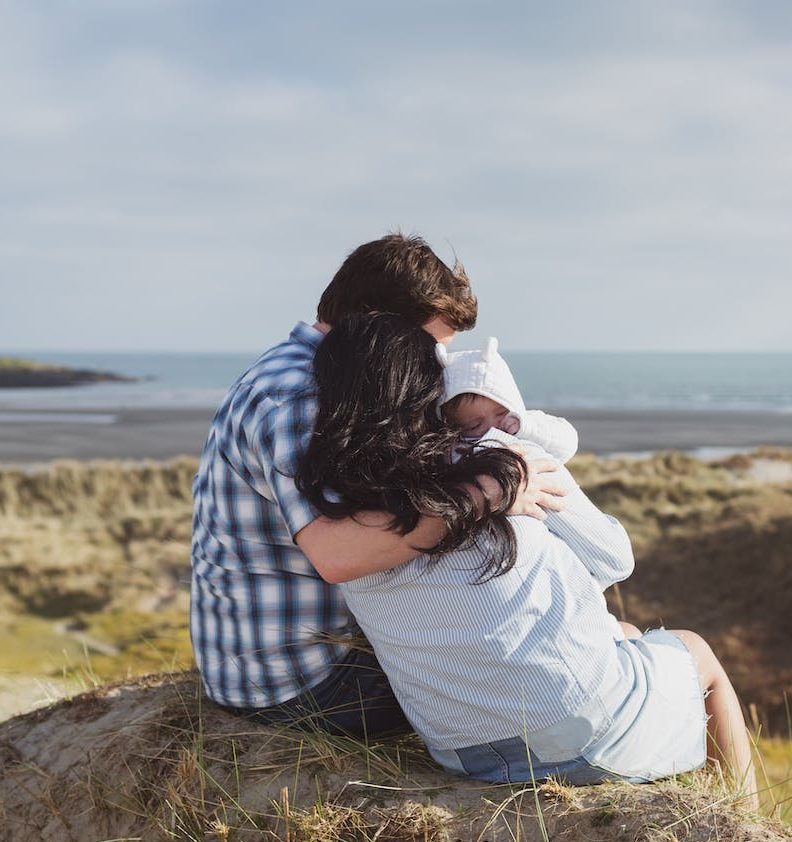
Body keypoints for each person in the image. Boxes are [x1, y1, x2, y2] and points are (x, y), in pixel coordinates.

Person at [297, 312, 758, 806]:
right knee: (696, 652)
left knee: (622, 634)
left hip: (460, 749)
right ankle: (748, 824)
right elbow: (613, 561)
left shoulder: (331, 503)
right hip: (576, 730)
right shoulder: (501, 459)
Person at [190, 234, 567, 737]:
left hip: (270, 668)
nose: (434, 365)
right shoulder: (301, 395)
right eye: (428, 346)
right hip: (308, 683)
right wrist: (485, 494)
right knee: (553, 680)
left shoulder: (301, 373)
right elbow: (338, 554)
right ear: (372, 319)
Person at [437, 336, 578, 461]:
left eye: (501, 413)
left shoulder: (528, 423)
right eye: (474, 425)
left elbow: (568, 444)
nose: (493, 426)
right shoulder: (455, 451)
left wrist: (528, 428)